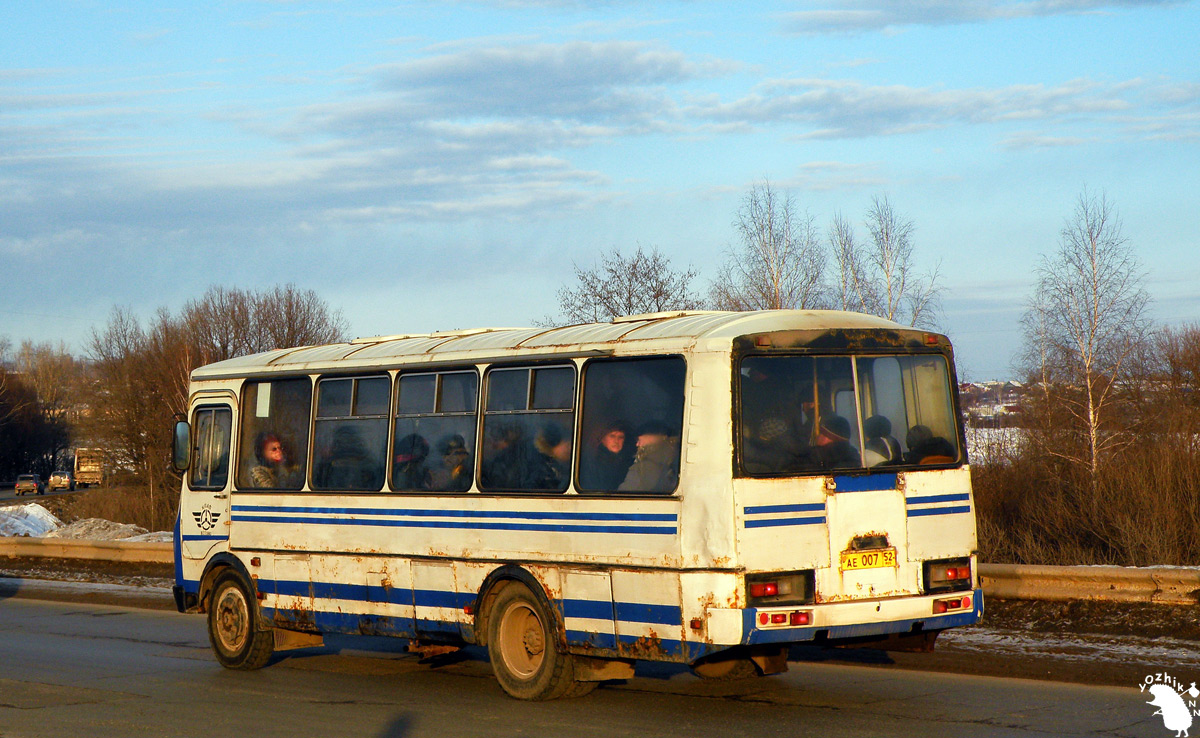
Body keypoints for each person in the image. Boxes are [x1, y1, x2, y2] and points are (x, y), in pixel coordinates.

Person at [618, 420, 681, 493]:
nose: (637, 444)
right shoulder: (673, 461)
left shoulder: (642, 468)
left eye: (639, 440)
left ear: (650, 438)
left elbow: (623, 495)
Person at [580, 422, 634, 490]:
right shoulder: (593, 462)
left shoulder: (628, 462)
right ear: (602, 439)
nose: (616, 441)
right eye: (612, 436)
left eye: (621, 437)